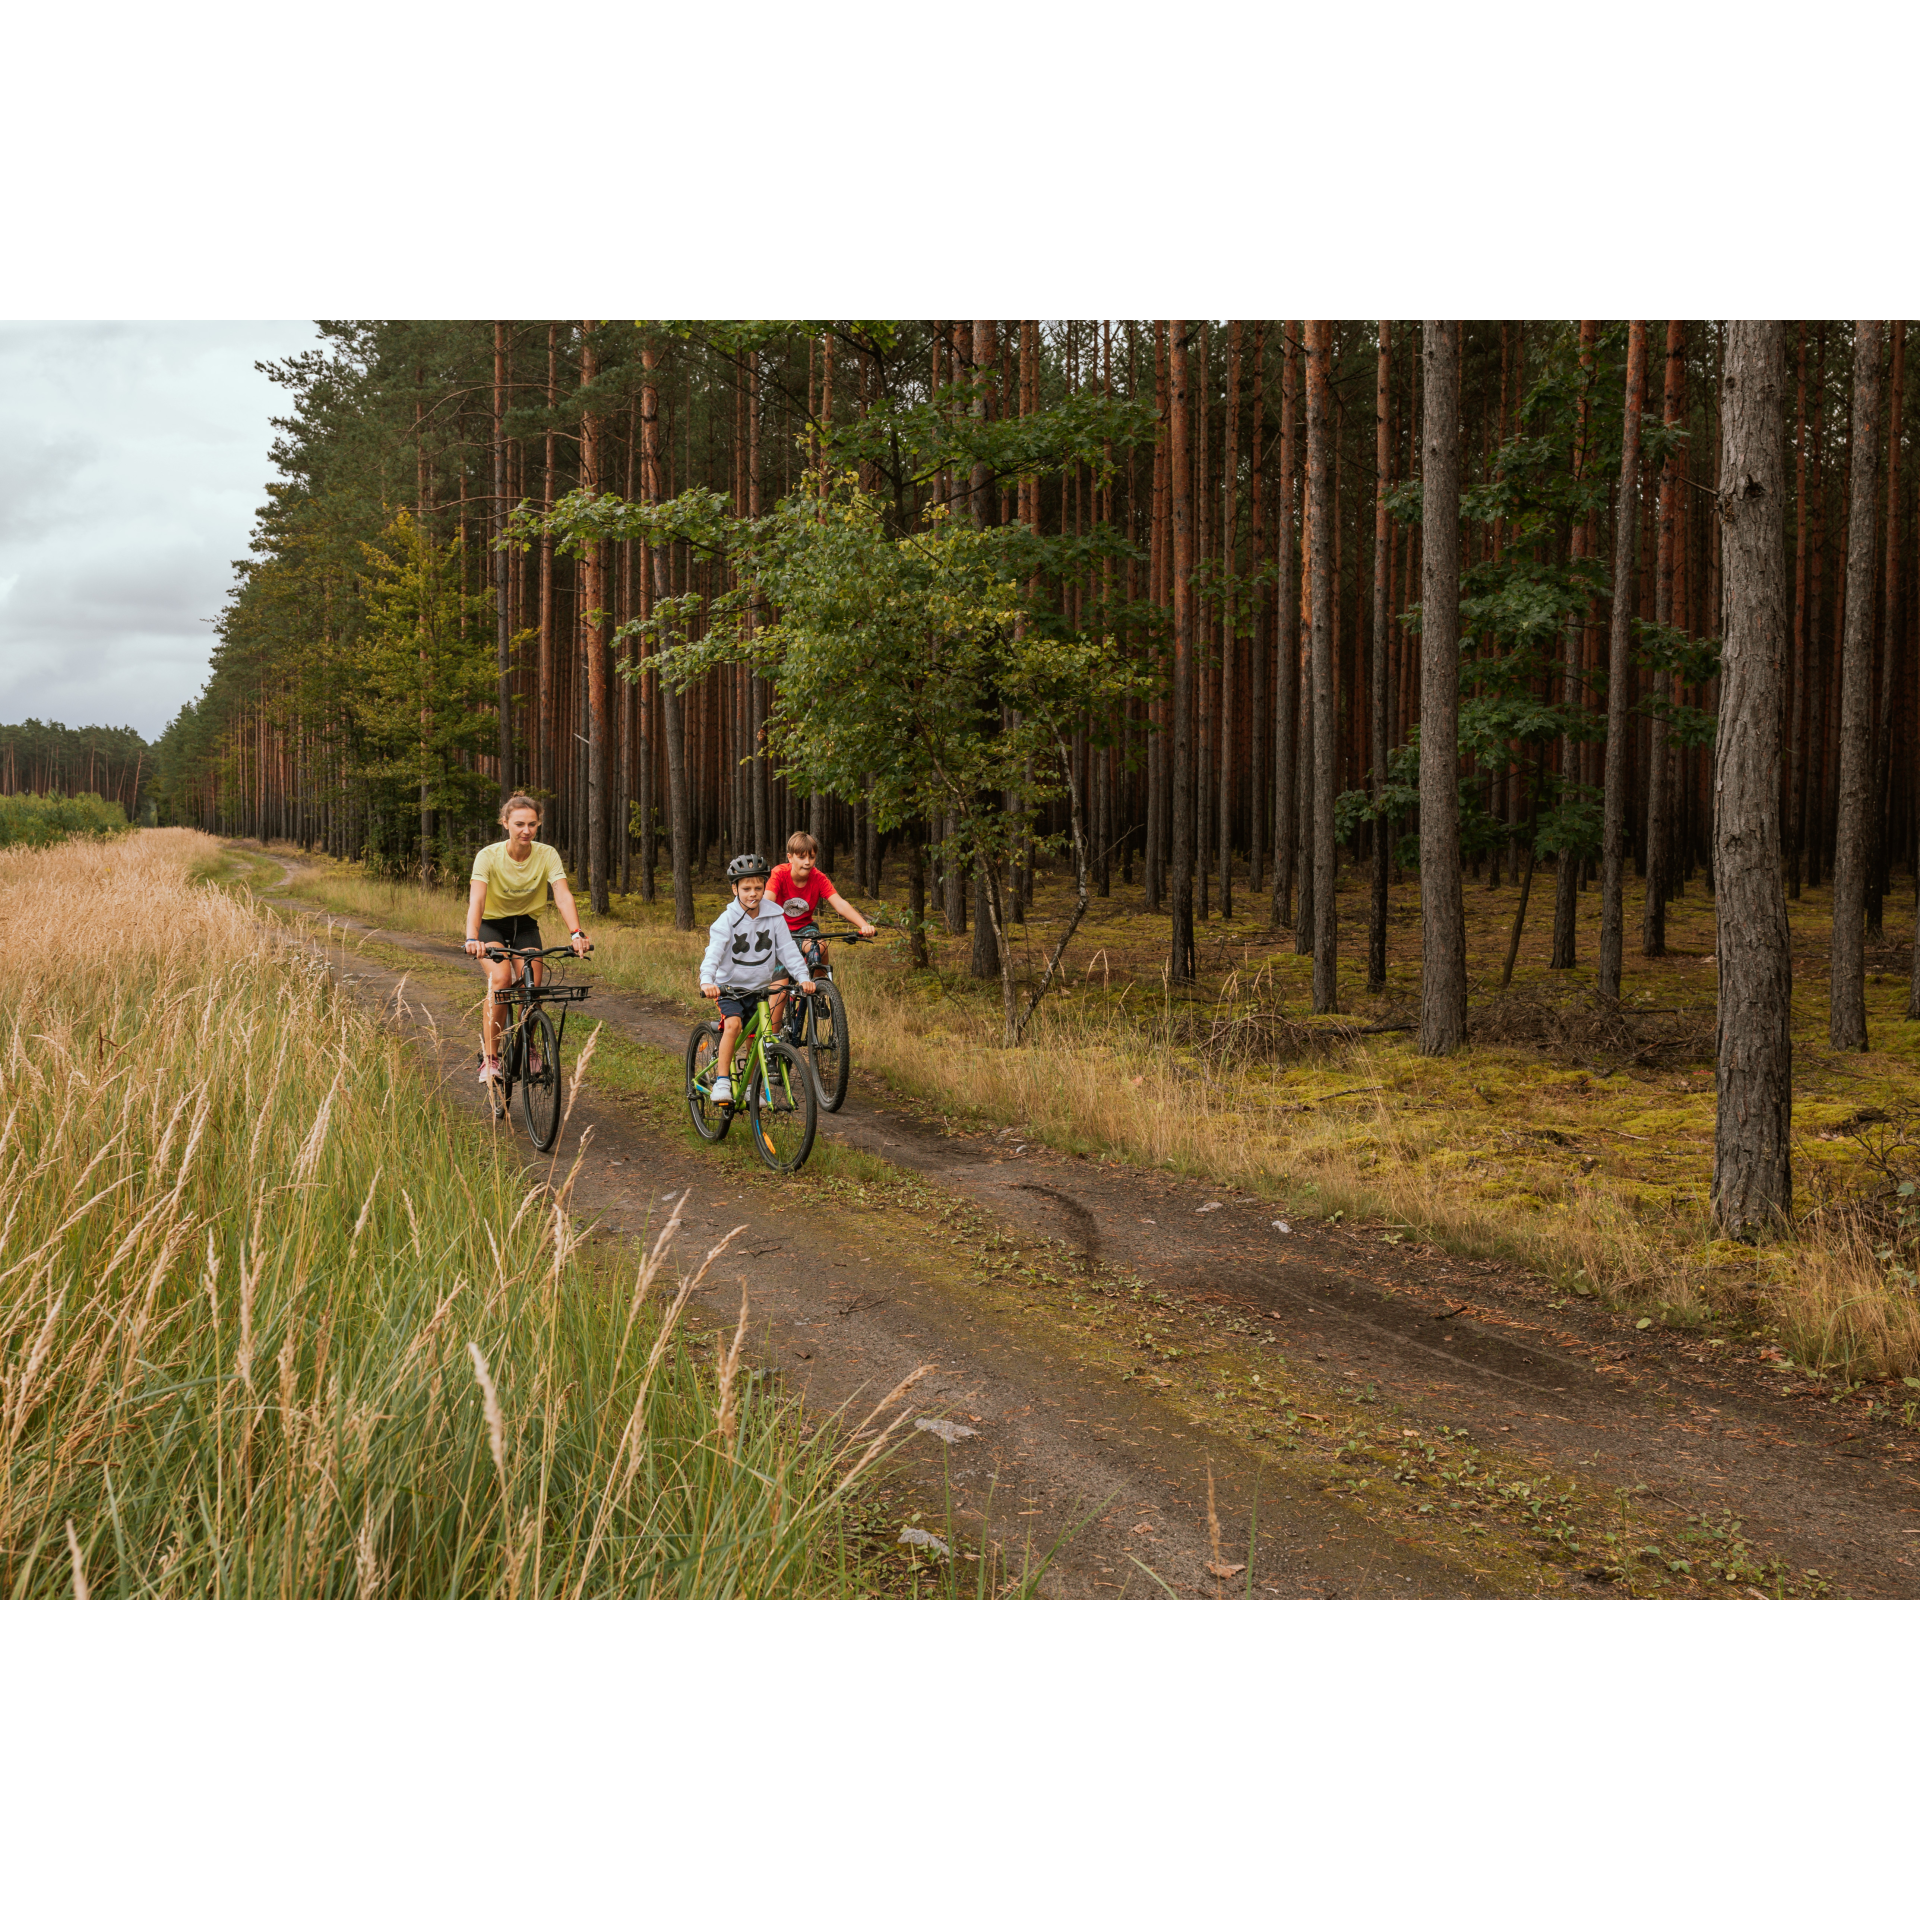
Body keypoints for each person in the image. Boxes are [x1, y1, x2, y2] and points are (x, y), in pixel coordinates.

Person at [463, 794, 590, 1084]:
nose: (526, 830)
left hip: (525, 926)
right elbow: (477, 901)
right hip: (491, 927)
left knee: (532, 983)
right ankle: (491, 1058)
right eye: (519, 824)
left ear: (538, 824)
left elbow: (561, 894)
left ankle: (528, 1044)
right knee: (502, 979)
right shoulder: (488, 856)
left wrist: (576, 932)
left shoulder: (546, 854)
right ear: (505, 822)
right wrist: (472, 938)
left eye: (532, 824)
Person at [700, 852, 813, 1106]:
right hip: (730, 988)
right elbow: (713, 954)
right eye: (746, 888)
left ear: (765, 888)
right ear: (734, 888)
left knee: (759, 1038)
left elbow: (787, 951)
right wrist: (707, 980)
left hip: (760, 989)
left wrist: (803, 976)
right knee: (734, 1026)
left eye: (758, 887)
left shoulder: (774, 916)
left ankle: (751, 1087)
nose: (753, 893)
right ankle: (722, 1081)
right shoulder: (726, 921)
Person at [766, 830, 875, 1035]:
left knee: (819, 946)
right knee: (779, 991)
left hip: (805, 929)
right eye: (801, 857)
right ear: (790, 857)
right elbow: (767, 901)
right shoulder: (779, 874)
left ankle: (817, 994)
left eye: (812, 857)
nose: (807, 862)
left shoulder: (818, 878)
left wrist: (863, 925)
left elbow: (839, 904)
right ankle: (771, 1042)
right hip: (780, 932)